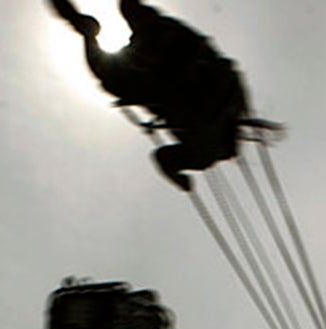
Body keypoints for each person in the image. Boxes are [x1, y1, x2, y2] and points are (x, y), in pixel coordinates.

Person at [48, 0, 249, 192]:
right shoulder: (212, 136)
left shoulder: (212, 136)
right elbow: (165, 158)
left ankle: (94, 29)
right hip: (180, 71)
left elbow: (105, 71)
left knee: (128, 19)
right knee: (128, 18)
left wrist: (86, 31)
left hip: (178, 75)